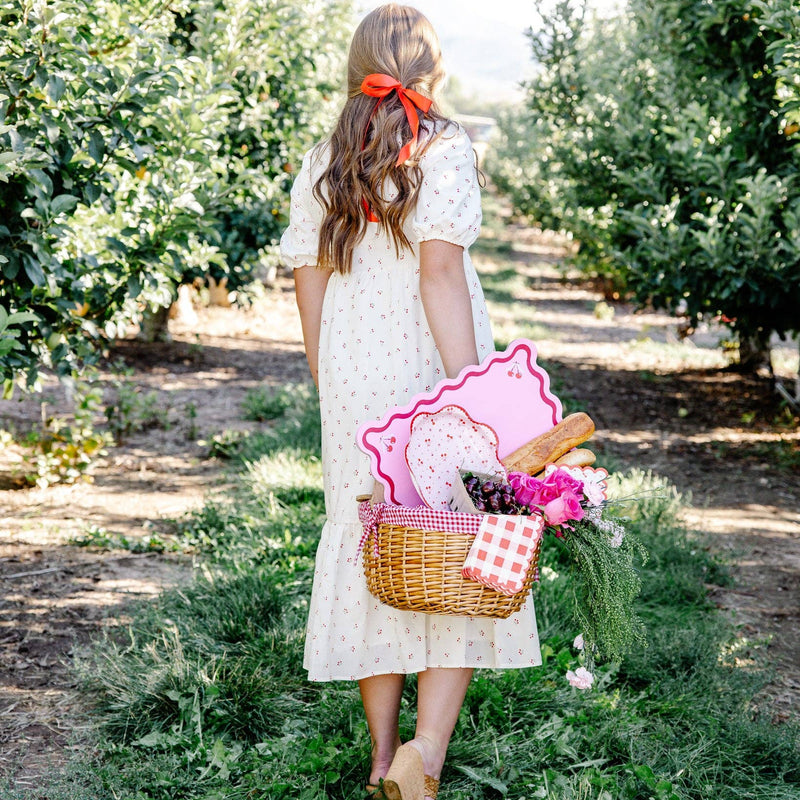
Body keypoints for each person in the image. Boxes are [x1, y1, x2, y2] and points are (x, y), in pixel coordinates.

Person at [279, 5, 541, 798]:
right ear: (432, 68)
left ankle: (379, 754)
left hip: (357, 380)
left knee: (377, 552)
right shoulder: (443, 148)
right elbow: (439, 277)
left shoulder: (327, 155)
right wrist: (475, 397)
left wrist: (328, 376)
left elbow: (309, 277)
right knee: (457, 549)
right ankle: (423, 755)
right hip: (434, 374)